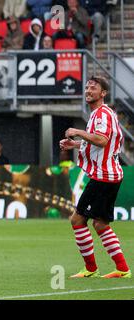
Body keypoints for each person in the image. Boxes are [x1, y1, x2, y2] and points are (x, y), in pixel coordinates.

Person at [60, 76, 131, 279]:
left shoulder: (101, 114)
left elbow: (101, 140)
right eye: (87, 87)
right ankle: (122, 268)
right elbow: (102, 144)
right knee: (100, 224)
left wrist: (77, 132)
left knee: (77, 219)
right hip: (108, 175)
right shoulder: (99, 114)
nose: (89, 90)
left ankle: (91, 269)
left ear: (103, 93)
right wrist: (74, 145)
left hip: (103, 176)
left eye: (94, 88)